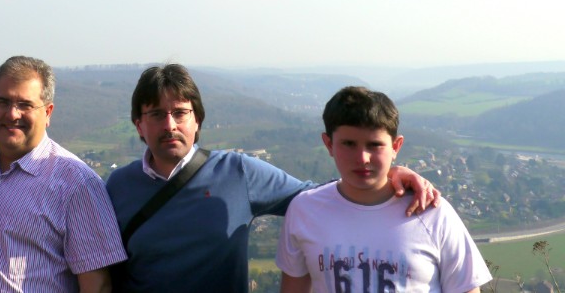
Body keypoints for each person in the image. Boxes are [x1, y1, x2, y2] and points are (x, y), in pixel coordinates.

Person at [105, 64, 440, 293]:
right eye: (156, 114)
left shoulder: (237, 173)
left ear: (198, 121)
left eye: (180, 113)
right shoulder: (116, 187)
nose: (170, 125)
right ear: (139, 125)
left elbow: (318, 197)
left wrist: (387, 174)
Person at [0, 55, 127, 292]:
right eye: (2, 102)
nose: (12, 114)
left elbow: (97, 286)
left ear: (48, 112)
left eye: (25, 105)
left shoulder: (77, 184)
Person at [276, 86, 492, 293]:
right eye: (349, 144)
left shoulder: (432, 213)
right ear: (329, 144)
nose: (362, 158)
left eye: (374, 145)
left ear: (396, 146)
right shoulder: (304, 210)